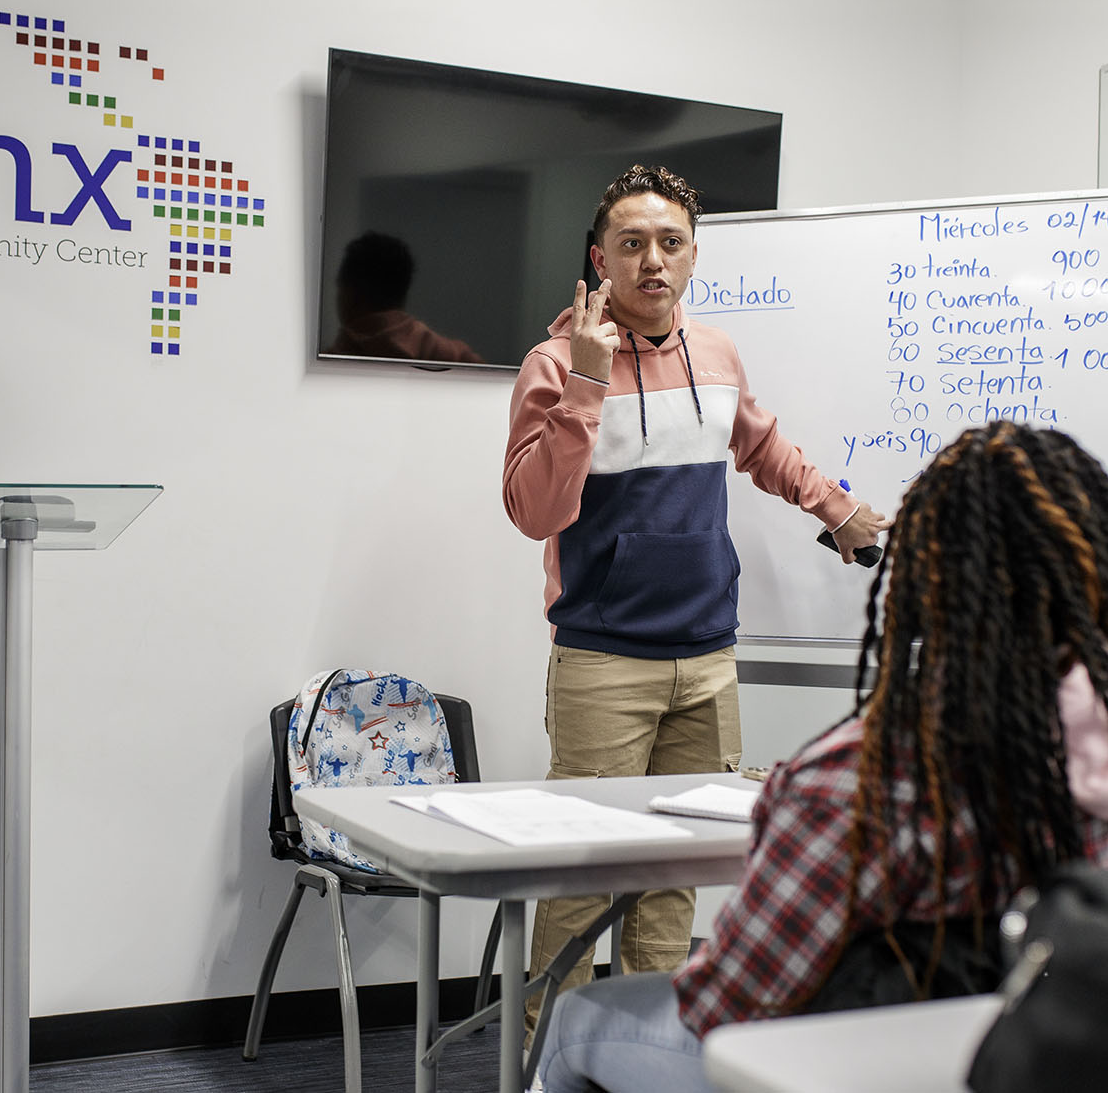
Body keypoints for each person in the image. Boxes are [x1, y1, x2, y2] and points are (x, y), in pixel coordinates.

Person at [533, 421, 1108, 1093]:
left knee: (581, 1020)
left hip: (857, 1071)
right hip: (1057, 1058)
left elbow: (731, 1000)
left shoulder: (858, 775)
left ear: (924, 581)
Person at [501, 164, 889, 1037]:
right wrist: (589, 383)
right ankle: (542, 1057)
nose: (652, 262)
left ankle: (650, 1047)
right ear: (599, 258)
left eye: (669, 243)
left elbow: (762, 446)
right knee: (581, 871)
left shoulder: (715, 354)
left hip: (709, 655)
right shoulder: (553, 363)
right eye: (631, 244)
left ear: (693, 256)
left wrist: (842, 511)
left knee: (675, 872)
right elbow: (535, 512)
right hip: (603, 659)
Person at [326, 231, 484, 364]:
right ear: (403, 292)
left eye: (339, 287)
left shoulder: (332, 361)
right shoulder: (449, 354)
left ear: (350, 292)